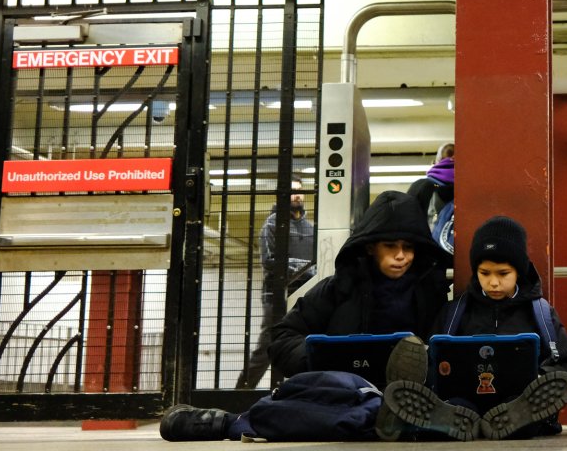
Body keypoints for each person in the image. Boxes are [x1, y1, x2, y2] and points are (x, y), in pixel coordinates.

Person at [159, 190, 451, 442]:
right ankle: (390, 420)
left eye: (408, 247)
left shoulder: (432, 294)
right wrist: (317, 358)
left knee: (322, 410)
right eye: (391, 246)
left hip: (403, 394)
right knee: (328, 394)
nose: (402, 255)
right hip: (336, 390)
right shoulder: (336, 290)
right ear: (372, 247)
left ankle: (232, 423)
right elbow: (281, 339)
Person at [383, 215, 567, 440]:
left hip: (519, 401)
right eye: (484, 273)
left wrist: (539, 379)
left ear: (519, 271)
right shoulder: (454, 312)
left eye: (503, 274)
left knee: (523, 419)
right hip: (463, 403)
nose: (494, 282)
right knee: (456, 407)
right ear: (476, 271)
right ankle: (449, 419)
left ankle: (512, 417)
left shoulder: (541, 313)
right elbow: (431, 361)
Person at [235, 179, 315, 389]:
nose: (297, 195)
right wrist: (306, 268)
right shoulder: (271, 224)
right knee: (266, 348)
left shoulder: (312, 228)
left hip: (303, 294)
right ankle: (240, 393)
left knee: (305, 345)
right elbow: (270, 261)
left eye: (300, 191)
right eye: (292, 192)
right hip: (276, 295)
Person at [407, 142, 455, 253]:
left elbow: (408, 222)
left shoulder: (420, 186)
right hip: (455, 254)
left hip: (425, 253)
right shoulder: (469, 187)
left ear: (436, 162)